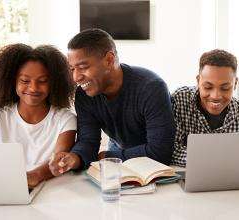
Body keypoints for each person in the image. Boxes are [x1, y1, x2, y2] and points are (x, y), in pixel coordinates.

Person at [48, 28, 175, 174]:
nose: (76, 77)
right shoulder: (84, 95)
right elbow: (88, 140)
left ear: (109, 60)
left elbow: (160, 151)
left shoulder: (151, 87)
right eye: (72, 69)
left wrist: (107, 156)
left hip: (153, 166)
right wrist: (74, 157)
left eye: (83, 67)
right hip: (120, 155)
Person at [0, 43, 76, 188]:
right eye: (25, 81)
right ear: (12, 82)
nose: (33, 88)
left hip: (51, 191)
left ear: (53, 83)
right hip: (4, 189)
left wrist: (34, 176)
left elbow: (59, 159)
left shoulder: (65, 119)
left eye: (42, 81)